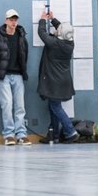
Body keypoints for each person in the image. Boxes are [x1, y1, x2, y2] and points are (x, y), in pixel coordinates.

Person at [0, 9, 31, 146]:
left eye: (15, 20)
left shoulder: (22, 38)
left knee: (20, 106)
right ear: (6, 20)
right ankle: (9, 135)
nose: (13, 22)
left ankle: (21, 134)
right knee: (6, 105)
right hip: (3, 76)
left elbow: (25, 56)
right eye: (11, 20)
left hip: (18, 75)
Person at [37, 11, 79, 143]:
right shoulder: (69, 44)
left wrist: (43, 20)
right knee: (53, 105)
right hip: (64, 81)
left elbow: (42, 33)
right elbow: (63, 30)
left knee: (55, 107)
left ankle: (71, 131)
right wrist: (53, 19)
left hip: (54, 81)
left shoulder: (54, 43)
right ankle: (54, 135)